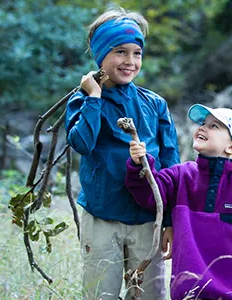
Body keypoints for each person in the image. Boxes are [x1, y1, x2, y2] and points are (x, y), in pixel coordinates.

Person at [65, 6, 180, 300]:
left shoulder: (154, 105)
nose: (130, 61)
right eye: (120, 52)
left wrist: (169, 221)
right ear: (101, 55)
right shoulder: (84, 100)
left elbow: (170, 166)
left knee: (149, 294)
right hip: (102, 217)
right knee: (100, 293)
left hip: (147, 220)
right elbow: (82, 144)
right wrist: (94, 96)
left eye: (136, 53)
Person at [127, 104, 232, 299]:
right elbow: (150, 196)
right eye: (203, 123)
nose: (202, 127)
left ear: (231, 147)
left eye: (214, 126)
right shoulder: (181, 174)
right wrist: (139, 164)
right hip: (188, 294)